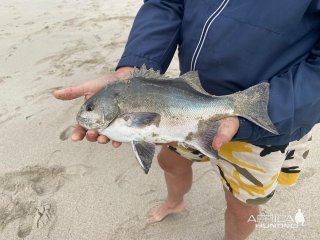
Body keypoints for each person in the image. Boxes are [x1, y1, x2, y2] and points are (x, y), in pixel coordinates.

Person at [54, 1, 320, 239]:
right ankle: (175, 201)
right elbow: (166, 3)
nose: (85, 114)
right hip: (186, 110)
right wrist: (132, 67)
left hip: (267, 125)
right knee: (169, 161)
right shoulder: (121, 102)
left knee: (242, 206)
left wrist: (270, 108)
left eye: (90, 108)